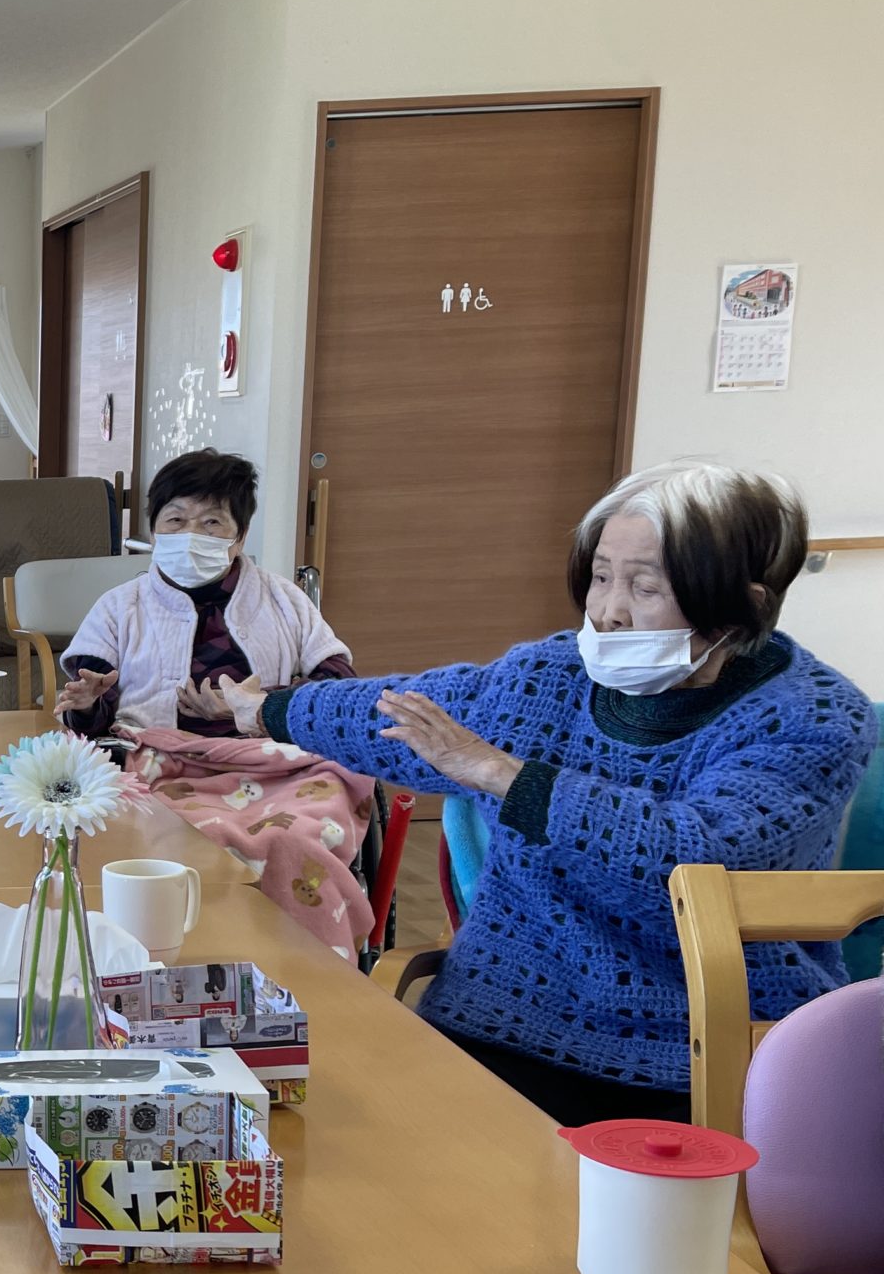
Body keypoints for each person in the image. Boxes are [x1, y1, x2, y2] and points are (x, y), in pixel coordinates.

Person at [223, 462, 878, 1126]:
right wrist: (266, 711)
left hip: (704, 1046)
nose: (608, 611)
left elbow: (696, 858)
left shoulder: (814, 719)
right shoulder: (549, 677)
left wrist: (502, 774)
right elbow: (397, 714)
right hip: (505, 1011)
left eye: (645, 587)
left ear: (745, 606)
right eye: (601, 577)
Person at [56, 449, 353, 737]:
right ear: (153, 532)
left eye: (212, 522)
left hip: (264, 759)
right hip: (147, 757)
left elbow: (339, 688)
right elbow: (90, 716)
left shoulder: (284, 599)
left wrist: (260, 706)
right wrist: (86, 707)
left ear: (241, 536)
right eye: (176, 520)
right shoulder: (117, 607)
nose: (191, 535)